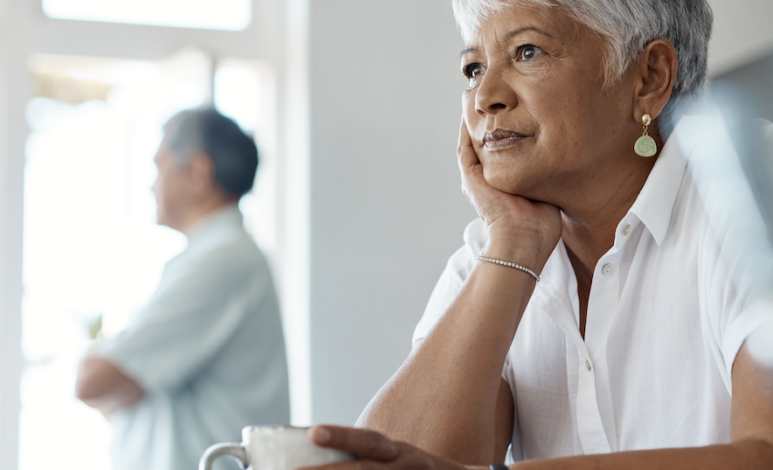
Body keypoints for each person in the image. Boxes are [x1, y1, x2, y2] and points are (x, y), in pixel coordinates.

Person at [301, 0, 773, 469]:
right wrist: (513, 244)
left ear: (649, 77)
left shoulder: (751, 185)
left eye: (527, 52)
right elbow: (392, 460)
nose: (485, 96)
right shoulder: (492, 255)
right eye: (472, 68)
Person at [75, 108, 290, 470]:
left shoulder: (223, 260)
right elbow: (116, 387)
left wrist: (115, 362)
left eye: (159, 166)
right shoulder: (212, 256)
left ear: (197, 172)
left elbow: (92, 381)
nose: (151, 184)